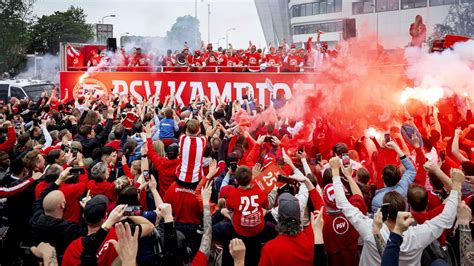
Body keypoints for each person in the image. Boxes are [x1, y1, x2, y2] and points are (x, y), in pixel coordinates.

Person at [330, 156, 464, 265]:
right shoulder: (416, 235)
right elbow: (446, 218)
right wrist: (456, 186)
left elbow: (343, 204)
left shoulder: (370, 229)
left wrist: (336, 173)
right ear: (405, 209)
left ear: (383, 211)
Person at [259, 192, 314, 266]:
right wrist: (307, 182)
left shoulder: (269, 249)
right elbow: (320, 207)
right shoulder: (311, 238)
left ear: (278, 217)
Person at [371, 141, 416, 213]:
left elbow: (378, 221)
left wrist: (382, 149)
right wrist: (397, 148)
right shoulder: (403, 187)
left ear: (382, 177)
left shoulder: (377, 200)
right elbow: (411, 169)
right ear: (399, 176)